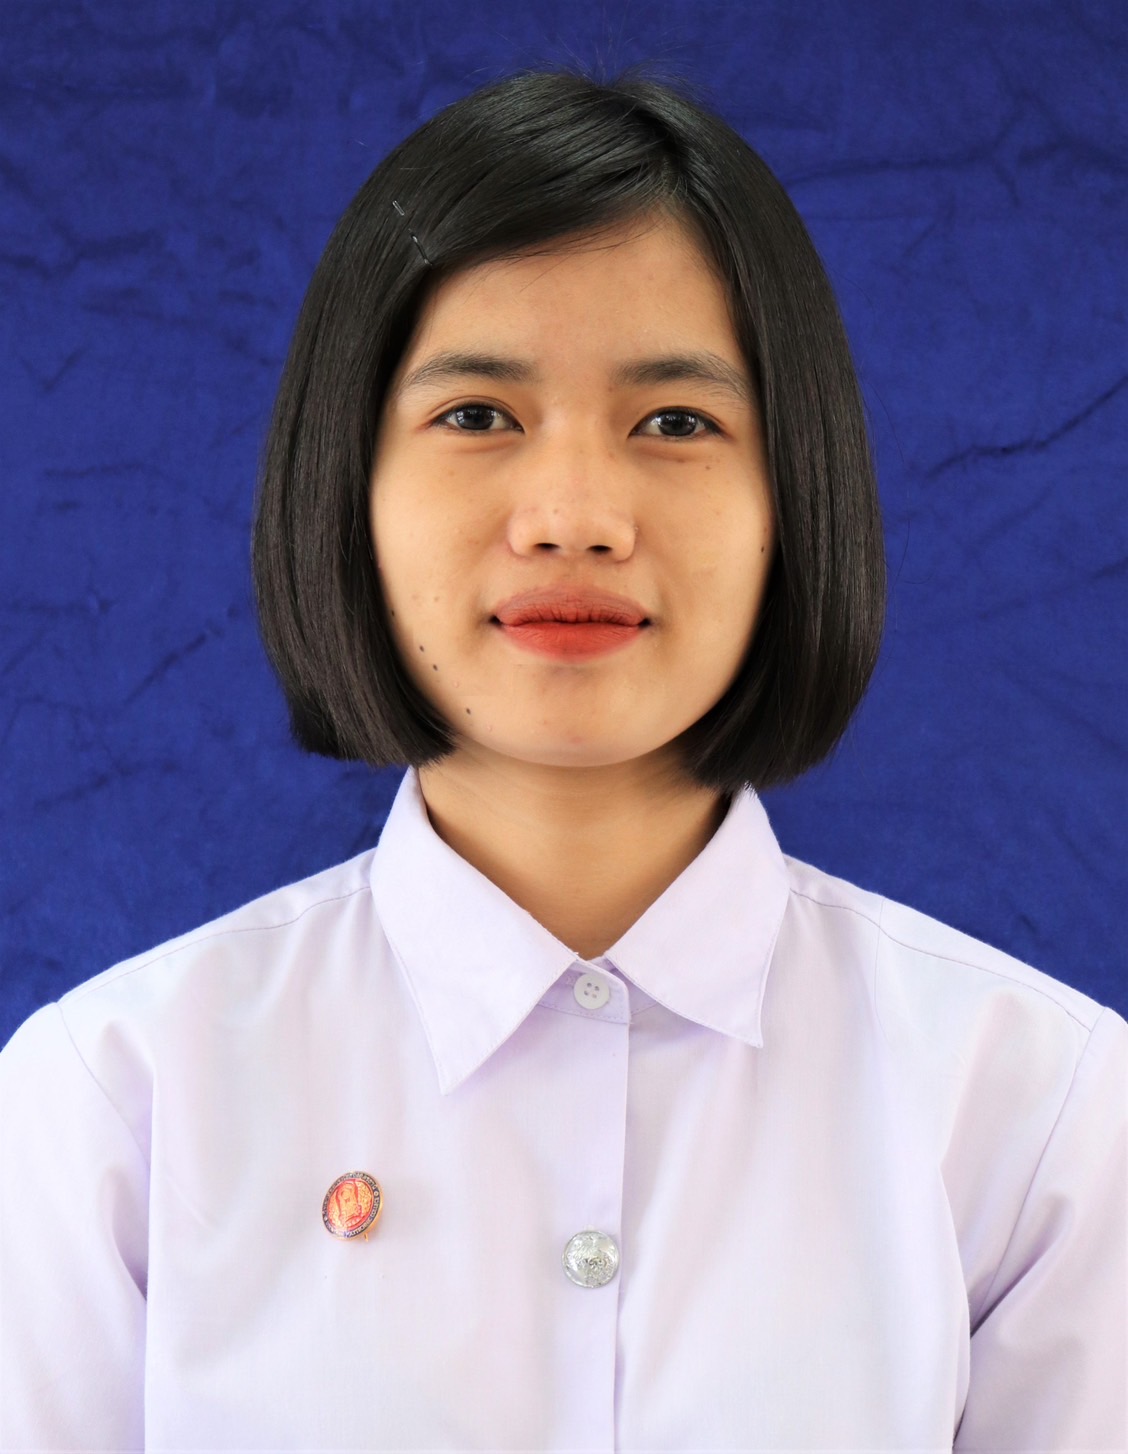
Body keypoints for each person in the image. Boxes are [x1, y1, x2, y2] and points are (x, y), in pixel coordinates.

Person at [1, 66, 1124, 1453]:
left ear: (796, 497)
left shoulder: (1036, 1114)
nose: (576, 516)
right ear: (345, 490)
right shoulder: (113, 1104)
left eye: (676, 423)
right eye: (478, 414)